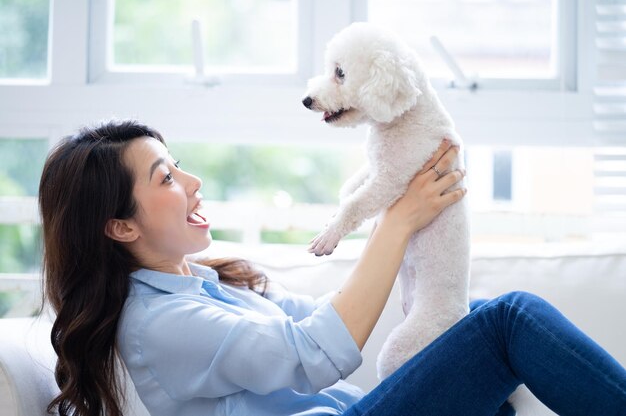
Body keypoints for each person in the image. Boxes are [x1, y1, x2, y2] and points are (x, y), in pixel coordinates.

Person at [38, 119, 626, 416]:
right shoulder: (156, 323)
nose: (192, 184)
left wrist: (410, 249)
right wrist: (394, 224)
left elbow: (322, 318)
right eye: (166, 178)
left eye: (180, 166)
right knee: (508, 321)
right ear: (120, 226)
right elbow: (312, 352)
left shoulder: (203, 283)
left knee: (463, 323)